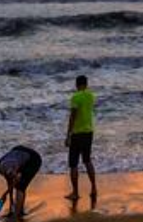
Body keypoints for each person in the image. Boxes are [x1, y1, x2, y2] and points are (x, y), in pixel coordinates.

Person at [0, 145, 41, 218]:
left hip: (33, 159)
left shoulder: (6, 167)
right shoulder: (0, 165)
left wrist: (5, 194)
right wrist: (10, 207)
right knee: (19, 185)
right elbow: (10, 183)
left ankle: (17, 214)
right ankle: (15, 211)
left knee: (20, 187)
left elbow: (17, 179)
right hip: (21, 154)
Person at [65, 74, 97, 202]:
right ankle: (94, 188)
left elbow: (73, 117)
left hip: (77, 133)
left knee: (73, 164)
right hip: (89, 132)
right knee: (87, 160)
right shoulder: (91, 96)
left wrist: (68, 135)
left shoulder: (75, 97)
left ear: (76, 84)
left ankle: (75, 192)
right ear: (86, 84)